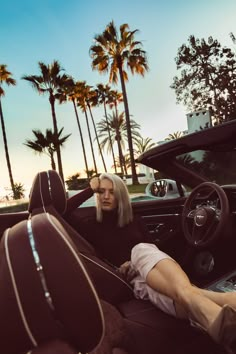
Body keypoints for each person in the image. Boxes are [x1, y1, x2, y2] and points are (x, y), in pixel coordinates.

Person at [66, 173, 236, 353]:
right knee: (142, 263)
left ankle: (217, 322)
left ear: (121, 195)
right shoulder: (90, 225)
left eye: (112, 192)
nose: (106, 196)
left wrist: (137, 260)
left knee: (144, 258)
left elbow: (154, 250)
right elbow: (61, 211)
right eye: (101, 191)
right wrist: (89, 189)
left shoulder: (136, 220)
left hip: (149, 266)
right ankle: (225, 300)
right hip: (129, 280)